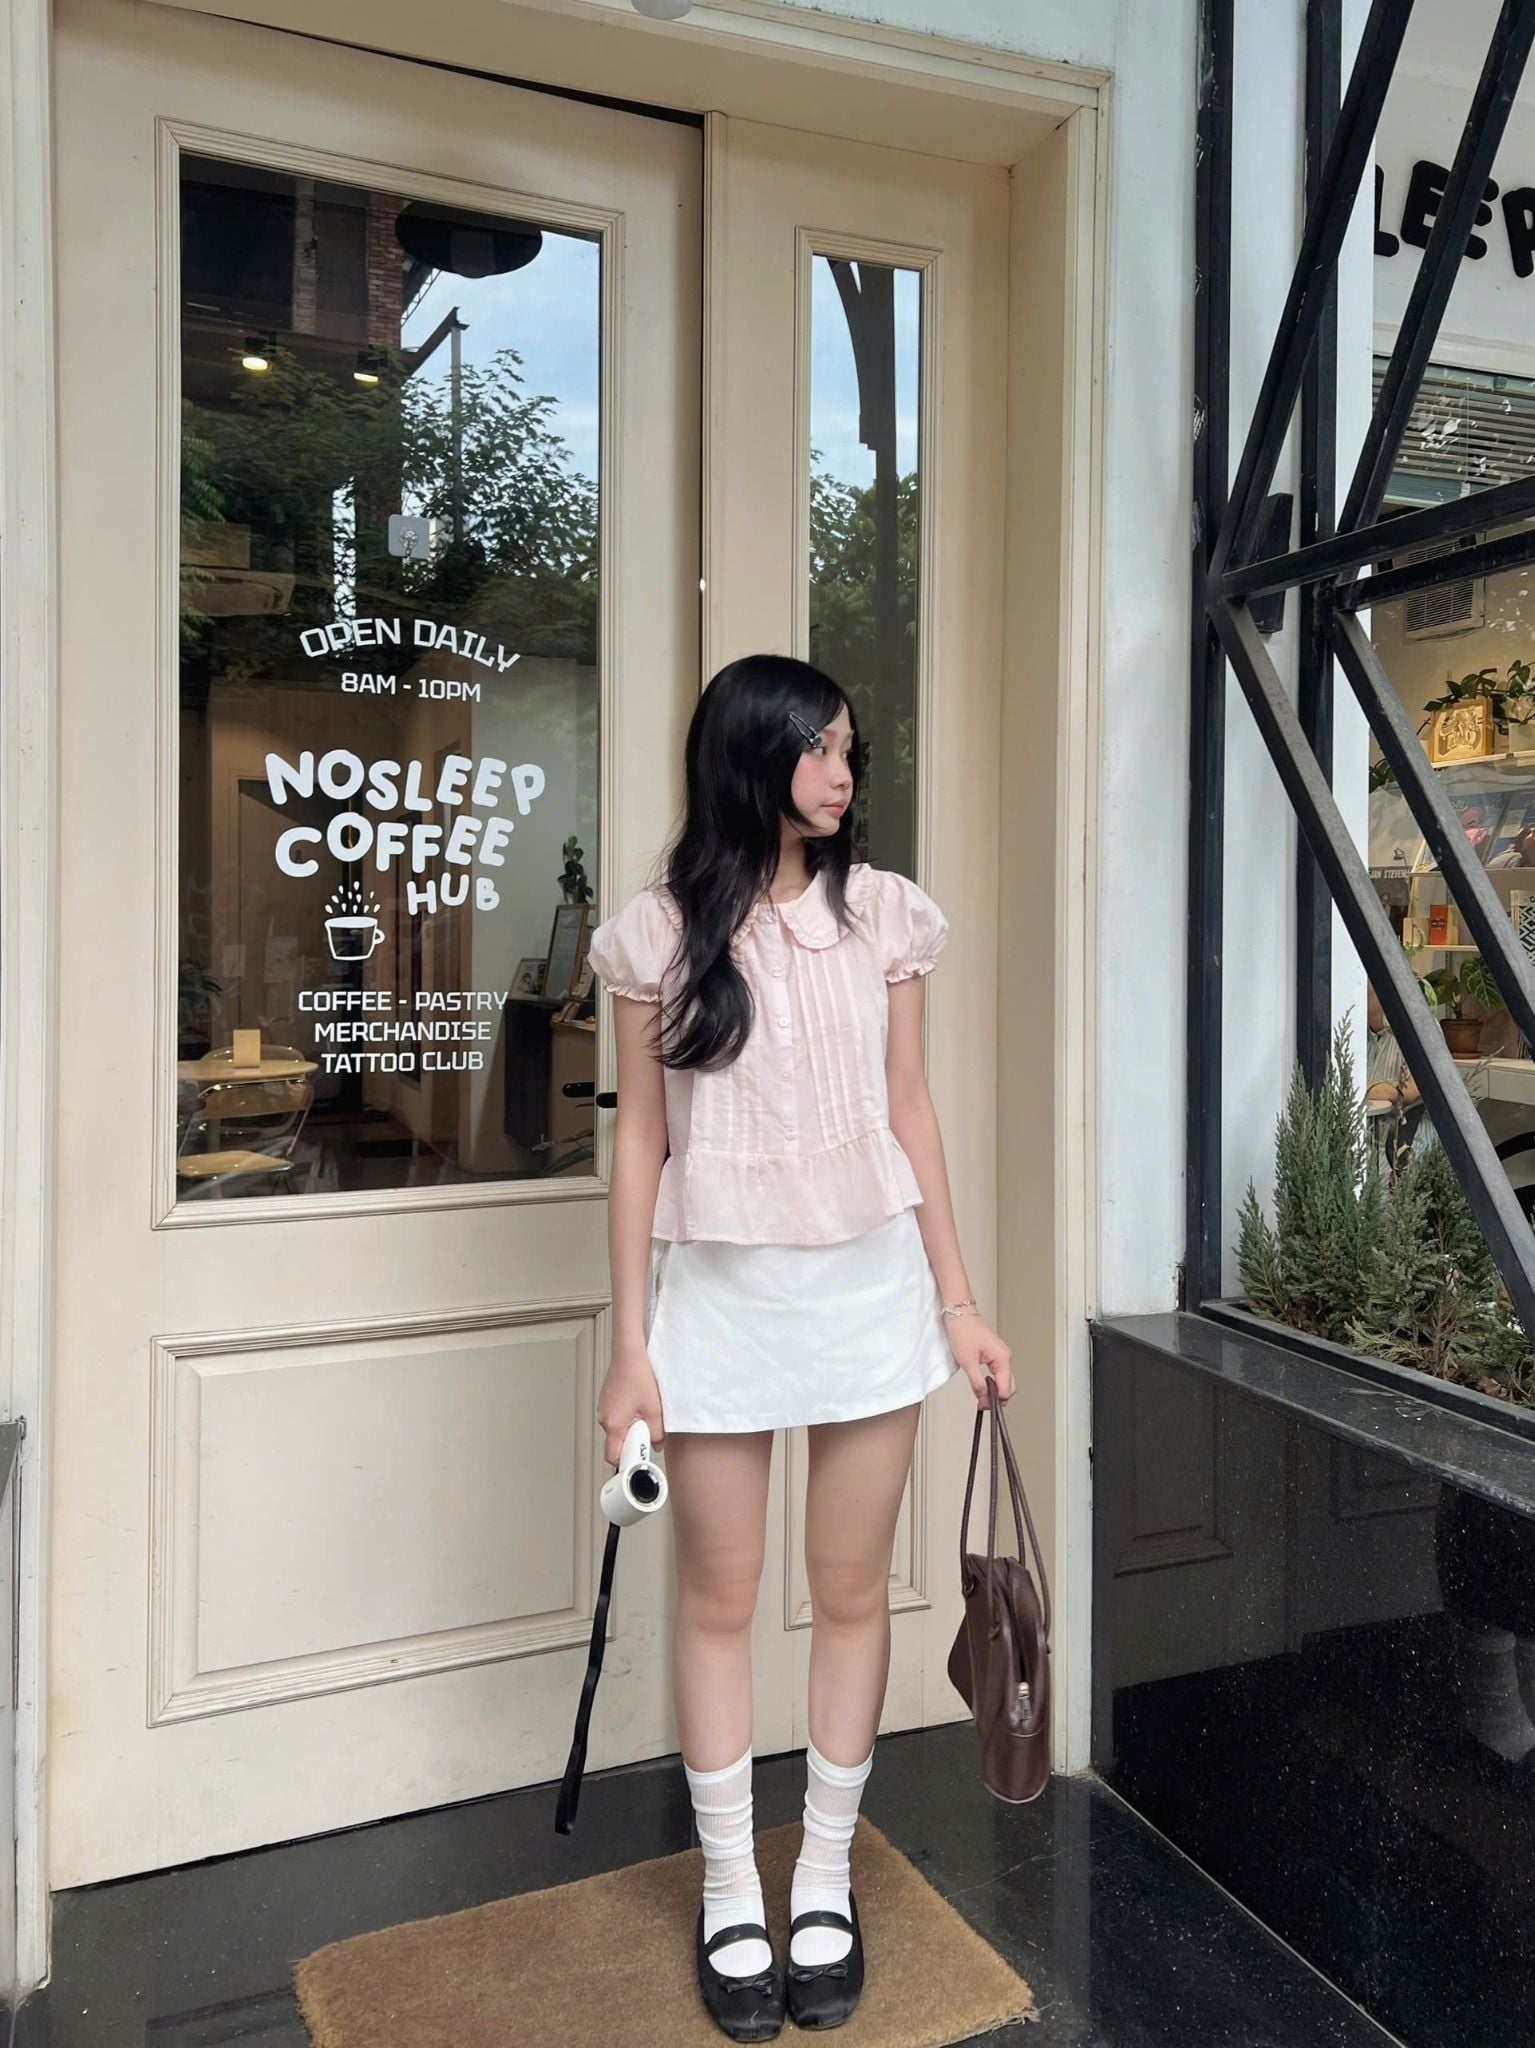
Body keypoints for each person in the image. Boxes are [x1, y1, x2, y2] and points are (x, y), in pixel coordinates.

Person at [586, 653, 1014, 2041]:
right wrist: (631, 1348)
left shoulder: (883, 914)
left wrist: (958, 1302)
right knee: (719, 1598)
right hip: (717, 1302)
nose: (842, 775)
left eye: (848, 751)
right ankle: (730, 1884)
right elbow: (639, 1148)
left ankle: (822, 1871)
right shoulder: (657, 938)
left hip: (867, 1294)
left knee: (848, 1593)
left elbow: (912, 1110)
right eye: (818, 750)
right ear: (750, 758)